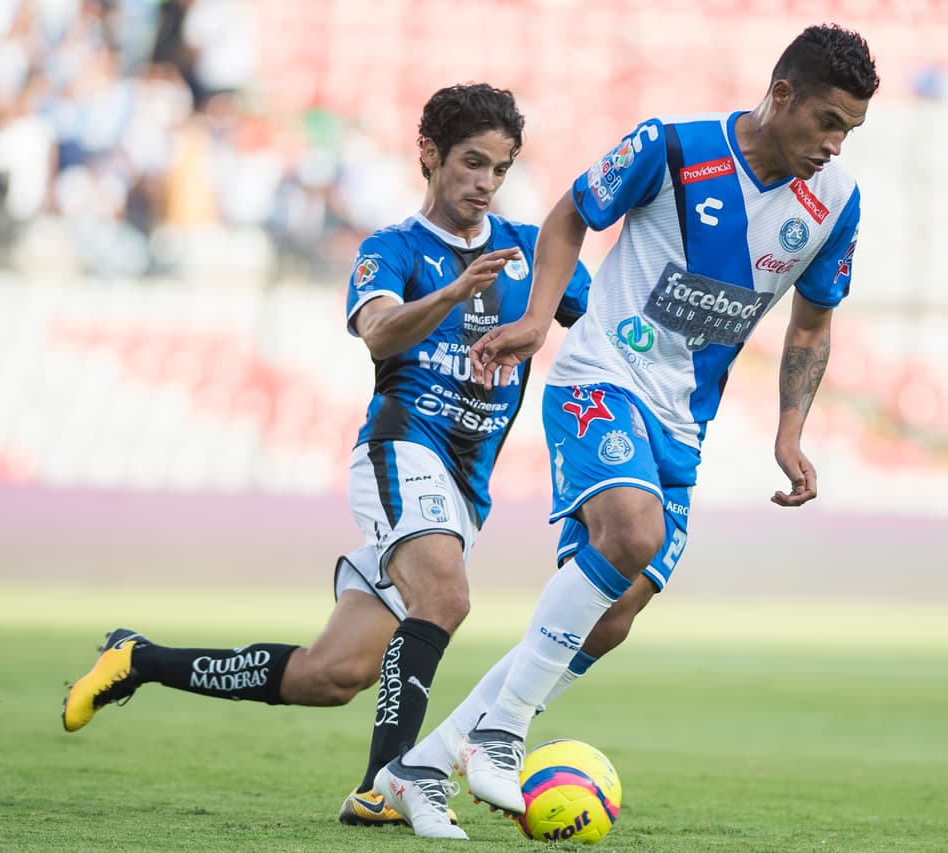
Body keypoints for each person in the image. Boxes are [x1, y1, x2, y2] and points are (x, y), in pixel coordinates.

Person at [375, 24, 880, 835]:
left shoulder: (836, 203)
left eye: (849, 130)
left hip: (684, 421)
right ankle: (502, 735)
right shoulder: (672, 148)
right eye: (827, 121)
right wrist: (538, 318)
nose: (834, 144)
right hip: (602, 376)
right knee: (633, 532)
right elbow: (569, 213)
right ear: (781, 95)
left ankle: (422, 765)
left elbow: (813, 323)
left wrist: (790, 431)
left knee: (610, 616)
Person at [58, 83, 595, 837]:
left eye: (500, 169)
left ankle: (137, 660)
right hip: (400, 449)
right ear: (430, 154)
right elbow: (378, 333)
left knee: (331, 674)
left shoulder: (529, 251)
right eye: (472, 162)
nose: (486, 182)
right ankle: (384, 785)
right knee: (445, 596)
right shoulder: (392, 249)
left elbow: (603, 323)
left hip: (465, 488)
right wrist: (451, 293)